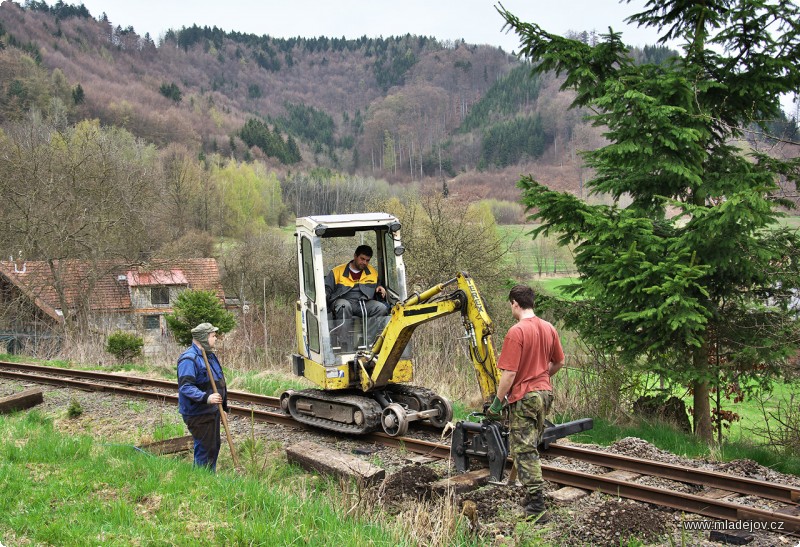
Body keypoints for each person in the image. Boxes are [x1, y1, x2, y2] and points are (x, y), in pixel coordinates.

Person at [486, 285, 565, 523]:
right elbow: (559, 362)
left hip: (526, 397)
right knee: (530, 446)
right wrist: (541, 377)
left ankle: (536, 508)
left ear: (514, 304)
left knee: (525, 451)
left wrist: (497, 404)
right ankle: (529, 496)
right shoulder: (548, 328)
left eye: (510, 305)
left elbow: (509, 374)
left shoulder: (516, 332)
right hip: (545, 395)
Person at [177, 322, 228, 472]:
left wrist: (222, 408)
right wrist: (207, 398)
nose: (215, 339)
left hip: (211, 411)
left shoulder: (209, 356)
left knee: (213, 447)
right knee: (205, 449)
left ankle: (208, 479)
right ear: (203, 338)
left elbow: (218, 383)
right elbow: (186, 387)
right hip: (198, 413)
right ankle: (201, 483)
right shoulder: (189, 359)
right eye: (212, 336)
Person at [325, 244, 390, 322]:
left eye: (367, 260)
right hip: (342, 301)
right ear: (355, 256)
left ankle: (372, 333)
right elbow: (327, 289)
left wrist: (379, 287)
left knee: (381, 308)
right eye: (362, 259)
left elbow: (377, 284)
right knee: (344, 306)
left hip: (363, 303)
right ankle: (344, 333)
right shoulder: (336, 271)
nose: (364, 262)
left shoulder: (372, 272)